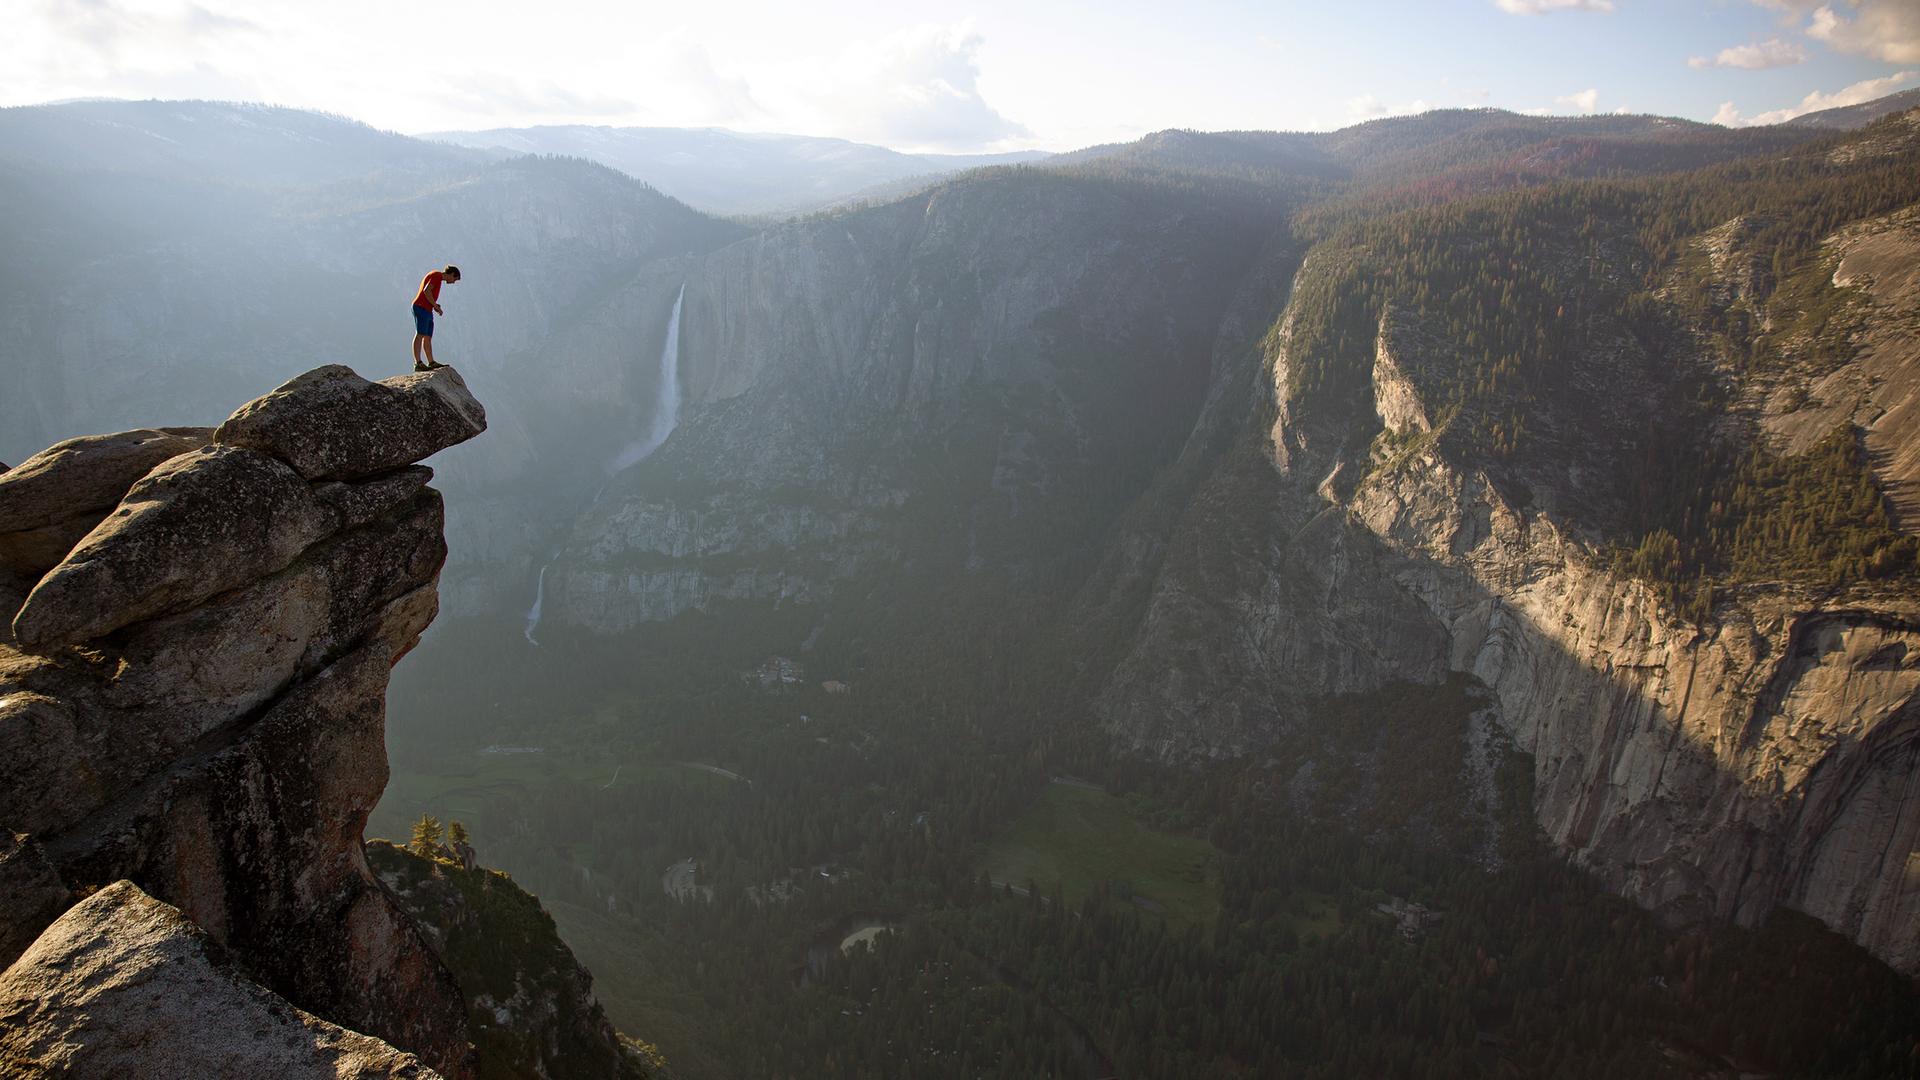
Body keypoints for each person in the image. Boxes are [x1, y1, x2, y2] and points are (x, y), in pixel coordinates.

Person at [410, 264, 462, 371]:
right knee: (420, 334)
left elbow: (429, 294)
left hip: (427, 309)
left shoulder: (438, 279)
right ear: (452, 274)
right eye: (454, 279)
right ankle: (418, 363)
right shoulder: (436, 276)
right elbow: (426, 290)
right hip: (421, 307)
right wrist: (435, 306)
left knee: (427, 336)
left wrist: (434, 305)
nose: (453, 282)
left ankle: (431, 362)